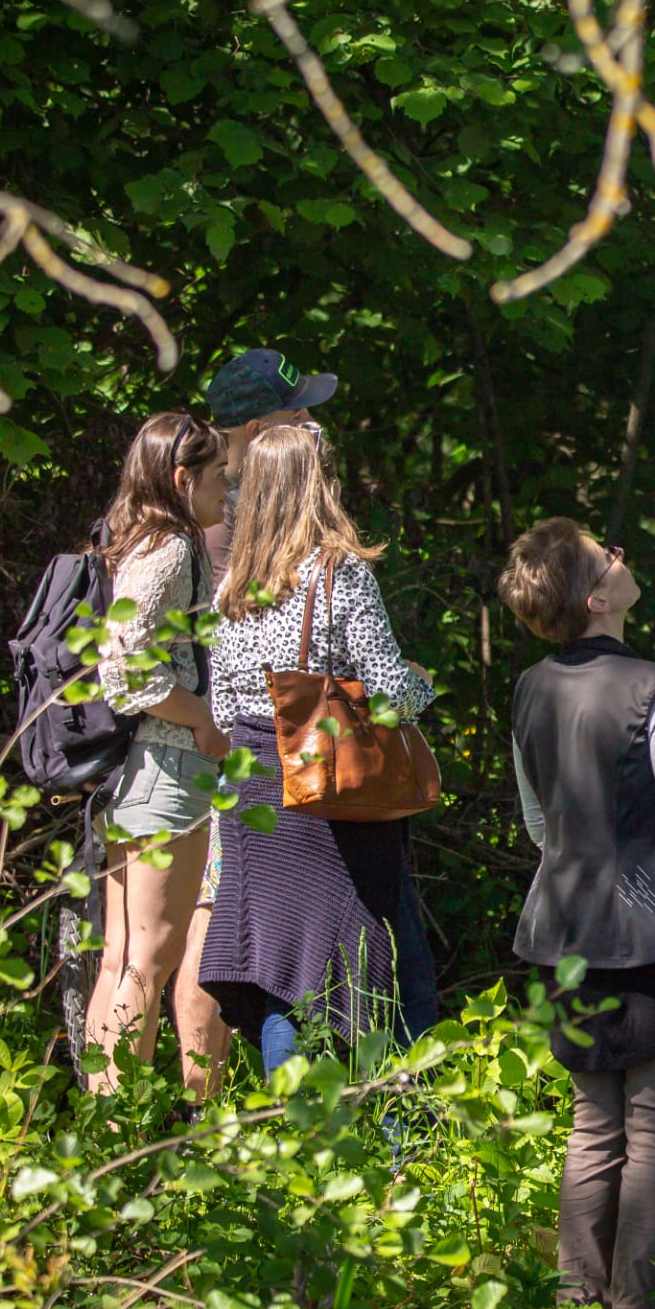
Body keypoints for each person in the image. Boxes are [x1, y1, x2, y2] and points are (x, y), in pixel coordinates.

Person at [498, 518, 655, 1309]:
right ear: (598, 597)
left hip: (565, 935)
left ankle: (575, 1308)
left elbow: (538, 823)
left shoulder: (528, 688)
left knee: (594, 1125)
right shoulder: (654, 688)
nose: (625, 557)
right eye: (611, 557)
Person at [202, 348, 443, 1048]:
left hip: (253, 798)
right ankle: (400, 1144)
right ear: (317, 488)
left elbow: (221, 712)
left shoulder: (231, 590)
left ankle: (298, 1138)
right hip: (329, 797)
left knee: (283, 974)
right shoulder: (337, 575)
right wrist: (422, 681)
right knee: (382, 977)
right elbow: (391, 697)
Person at [87, 411, 232, 1097]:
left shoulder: (139, 539)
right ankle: (117, 1130)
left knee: (122, 955)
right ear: (183, 478)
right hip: (167, 772)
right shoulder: (172, 547)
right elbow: (122, 670)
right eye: (219, 478)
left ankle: (99, 1130)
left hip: (141, 772)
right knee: (150, 957)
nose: (226, 493)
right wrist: (201, 718)